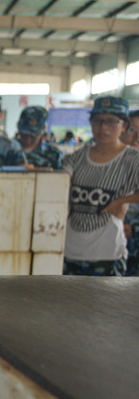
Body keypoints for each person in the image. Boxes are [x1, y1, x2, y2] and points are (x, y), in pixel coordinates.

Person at [63, 96, 139, 276]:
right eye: (98, 121)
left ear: (124, 126)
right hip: (70, 250)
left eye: (112, 122)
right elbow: (59, 180)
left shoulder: (132, 159)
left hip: (107, 254)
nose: (103, 127)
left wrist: (122, 200)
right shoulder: (77, 157)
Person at [16, 106, 65, 170]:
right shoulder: (7, 151)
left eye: (33, 135)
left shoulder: (54, 155)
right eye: (25, 133)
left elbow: (61, 178)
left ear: (42, 131)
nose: (28, 137)